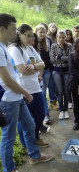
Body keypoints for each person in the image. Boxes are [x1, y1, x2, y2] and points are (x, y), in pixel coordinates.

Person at [0, 13, 53, 172]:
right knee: (8, 137)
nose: (15, 33)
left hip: (17, 96)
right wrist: (27, 93)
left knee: (30, 125)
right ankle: (10, 169)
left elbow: (37, 65)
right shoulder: (4, 49)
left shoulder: (5, 47)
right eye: (13, 29)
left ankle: (34, 156)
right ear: (2, 29)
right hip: (8, 99)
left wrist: (23, 92)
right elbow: (7, 80)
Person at [8, 24, 49, 148]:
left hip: (36, 87)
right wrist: (35, 68)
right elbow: (22, 70)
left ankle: (35, 137)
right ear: (19, 34)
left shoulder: (30, 48)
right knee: (25, 121)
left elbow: (43, 64)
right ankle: (25, 145)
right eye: (28, 35)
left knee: (40, 115)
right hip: (24, 89)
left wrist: (34, 67)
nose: (31, 38)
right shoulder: (14, 49)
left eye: (32, 36)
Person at [50, 30, 72, 120]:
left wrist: (59, 57)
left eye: (63, 37)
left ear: (65, 37)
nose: (61, 39)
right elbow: (52, 59)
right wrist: (63, 59)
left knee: (66, 91)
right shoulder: (53, 46)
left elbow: (70, 58)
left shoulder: (69, 46)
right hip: (57, 71)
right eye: (59, 37)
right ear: (57, 38)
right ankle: (61, 111)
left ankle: (66, 110)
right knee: (60, 91)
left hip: (67, 71)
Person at [35, 24, 52, 124]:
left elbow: (48, 57)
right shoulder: (33, 43)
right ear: (36, 32)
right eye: (40, 32)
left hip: (46, 70)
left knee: (42, 92)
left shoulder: (48, 41)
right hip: (36, 71)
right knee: (40, 93)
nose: (42, 34)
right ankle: (42, 114)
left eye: (44, 32)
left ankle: (46, 115)